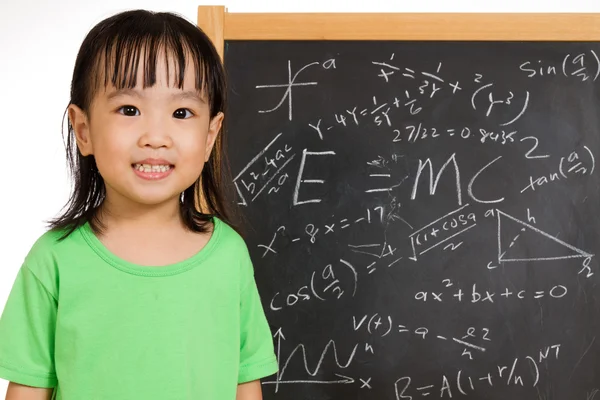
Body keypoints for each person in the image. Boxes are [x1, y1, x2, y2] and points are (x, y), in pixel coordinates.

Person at [0, 9, 278, 400]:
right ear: (84, 130)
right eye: (129, 110)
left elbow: (245, 382)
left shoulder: (229, 256)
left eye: (182, 112)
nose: (156, 136)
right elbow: (28, 389)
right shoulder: (54, 261)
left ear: (210, 136)